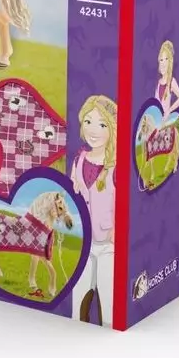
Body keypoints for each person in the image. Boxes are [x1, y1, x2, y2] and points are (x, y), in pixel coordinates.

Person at [70, 95, 117, 328]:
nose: (93, 130)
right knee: (79, 296)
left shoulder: (116, 165)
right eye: (88, 122)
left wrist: (116, 230)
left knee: (108, 301)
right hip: (84, 242)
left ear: (112, 129)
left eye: (102, 124)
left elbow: (121, 202)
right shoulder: (79, 159)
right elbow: (74, 193)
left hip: (109, 243)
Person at [155, 40, 179, 123]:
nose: (163, 63)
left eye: (166, 59)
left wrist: (169, 110)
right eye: (161, 60)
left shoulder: (171, 81)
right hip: (157, 123)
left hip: (165, 123)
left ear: (170, 62)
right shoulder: (158, 82)